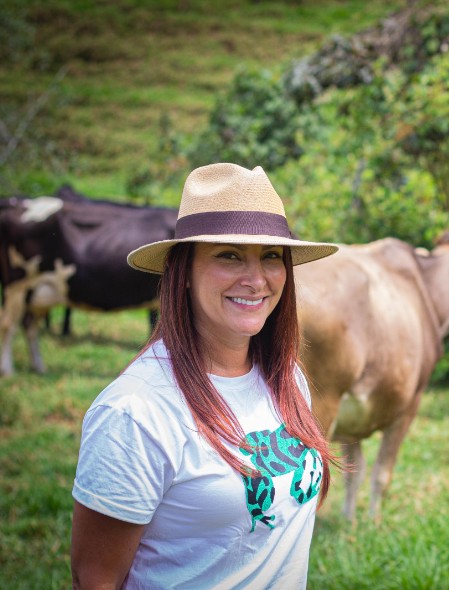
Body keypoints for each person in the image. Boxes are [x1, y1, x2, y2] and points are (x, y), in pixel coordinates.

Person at [70, 162, 339, 589]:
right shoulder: (135, 412)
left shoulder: (287, 379)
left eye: (271, 256)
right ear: (184, 273)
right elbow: (96, 580)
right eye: (228, 255)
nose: (256, 280)